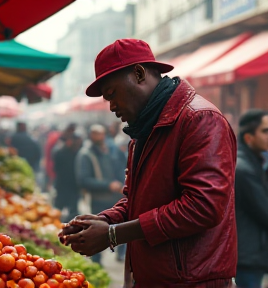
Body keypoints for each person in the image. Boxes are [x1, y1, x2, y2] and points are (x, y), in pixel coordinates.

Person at [59, 39, 237, 287]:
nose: (111, 106)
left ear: (139, 74)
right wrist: (104, 220)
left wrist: (113, 234)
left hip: (192, 281)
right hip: (153, 276)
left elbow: (203, 206)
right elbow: (138, 201)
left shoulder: (200, 119)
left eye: (112, 94)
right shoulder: (144, 131)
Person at [75, 124, 124, 264]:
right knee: (97, 232)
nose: (99, 136)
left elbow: (122, 168)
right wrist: (107, 184)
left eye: (101, 133)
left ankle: (121, 254)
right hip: (99, 200)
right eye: (96, 134)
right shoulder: (85, 154)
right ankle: (97, 262)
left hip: (117, 197)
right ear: (91, 135)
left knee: (121, 227)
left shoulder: (113, 149)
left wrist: (123, 185)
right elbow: (83, 180)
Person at [234, 109, 268, 288]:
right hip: (247, 258)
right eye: (265, 131)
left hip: (252, 256)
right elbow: (265, 212)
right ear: (249, 137)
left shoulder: (255, 163)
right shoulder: (244, 170)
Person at [53, 133, 83, 222]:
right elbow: (56, 168)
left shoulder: (78, 153)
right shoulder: (61, 153)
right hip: (63, 186)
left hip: (74, 187)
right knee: (58, 210)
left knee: (73, 212)